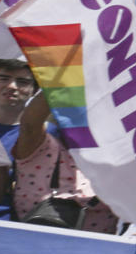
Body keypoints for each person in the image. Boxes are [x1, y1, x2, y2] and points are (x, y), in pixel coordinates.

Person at [11, 91, 118, 233]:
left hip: (93, 251)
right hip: (30, 246)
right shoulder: (41, 149)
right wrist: (57, 81)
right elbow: (29, 125)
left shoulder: (119, 161)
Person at [0, 59, 34, 216]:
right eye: (3, 78)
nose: (12, 86)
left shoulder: (48, 135)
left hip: (12, 230)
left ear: (33, 91)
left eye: (22, 81)